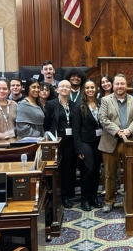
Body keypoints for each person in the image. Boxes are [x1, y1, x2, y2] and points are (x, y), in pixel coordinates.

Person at [99, 74, 133, 213]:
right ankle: (109, 201)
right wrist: (118, 131)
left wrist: (128, 131)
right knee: (109, 174)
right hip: (110, 141)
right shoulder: (105, 100)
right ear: (113, 85)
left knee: (130, 172)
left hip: (129, 142)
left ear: (126, 84)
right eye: (117, 84)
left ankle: (130, 199)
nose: (119, 86)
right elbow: (103, 119)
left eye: (122, 83)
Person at [44, 80, 77, 209]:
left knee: (69, 169)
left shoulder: (74, 105)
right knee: (59, 170)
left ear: (70, 90)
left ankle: (67, 195)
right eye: (62, 86)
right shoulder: (51, 104)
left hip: (70, 141)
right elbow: (46, 123)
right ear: (57, 89)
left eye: (67, 87)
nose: (65, 88)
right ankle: (59, 196)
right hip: (57, 141)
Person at [73, 79, 104, 211]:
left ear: (96, 89)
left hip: (99, 141)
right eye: (87, 88)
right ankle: (84, 200)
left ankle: (93, 197)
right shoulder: (79, 106)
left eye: (92, 87)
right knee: (88, 169)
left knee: (96, 170)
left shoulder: (100, 103)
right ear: (84, 90)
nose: (90, 90)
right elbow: (75, 129)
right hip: (85, 142)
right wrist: (78, 148)